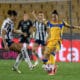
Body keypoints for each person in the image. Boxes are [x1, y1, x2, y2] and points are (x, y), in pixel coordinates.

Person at [42, 10, 80, 75]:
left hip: (58, 42)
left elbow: (70, 26)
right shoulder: (49, 23)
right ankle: (49, 66)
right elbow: (42, 21)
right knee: (45, 56)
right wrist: (41, 18)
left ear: (57, 16)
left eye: (55, 17)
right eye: (52, 17)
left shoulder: (62, 23)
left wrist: (77, 27)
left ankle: (52, 70)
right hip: (50, 41)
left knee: (52, 53)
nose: (53, 18)